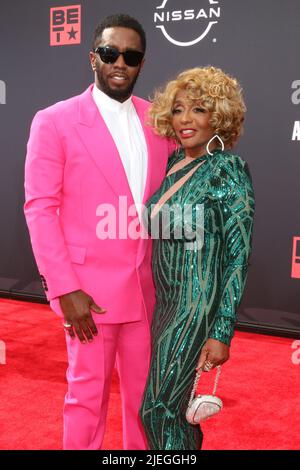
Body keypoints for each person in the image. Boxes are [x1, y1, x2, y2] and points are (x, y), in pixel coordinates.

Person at [24, 14, 174, 450]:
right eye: (110, 53)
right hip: (87, 294)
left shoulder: (158, 121)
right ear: (93, 57)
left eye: (131, 55)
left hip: (147, 291)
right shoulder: (54, 121)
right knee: (86, 399)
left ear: (142, 63)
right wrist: (64, 288)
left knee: (145, 402)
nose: (120, 63)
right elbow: (40, 209)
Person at [140, 66, 255, 450]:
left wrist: (221, 330)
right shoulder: (173, 166)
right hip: (166, 306)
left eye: (199, 109)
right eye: (178, 109)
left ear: (218, 116)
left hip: (196, 305)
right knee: (174, 415)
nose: (185, 119)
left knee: (158, 410)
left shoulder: (227, 169)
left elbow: (238, 255)